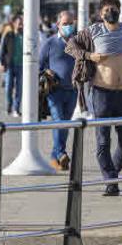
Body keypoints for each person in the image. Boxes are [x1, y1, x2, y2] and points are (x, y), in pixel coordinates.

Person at [66, 0, 122, 196]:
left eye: (113, 9)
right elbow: (70, 46)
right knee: (103, 141)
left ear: (119, 10)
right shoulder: (93, 30)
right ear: (101, 13)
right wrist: (89, 56)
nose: (110, 12)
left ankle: (112, 176)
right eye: (106, 10)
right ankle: (111, 182)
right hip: (101, 93)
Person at [39, 11, 78, 171]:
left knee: (65, 124)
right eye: (65, 23)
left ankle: (55, 156)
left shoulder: (77, 42)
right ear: (58, 25)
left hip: (72, 91)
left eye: (71, 23)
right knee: (59, 122)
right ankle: (61, 153)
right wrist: (46, 72)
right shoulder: (49, 43)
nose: (68, 27)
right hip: (55, 91)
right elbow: (39, 65)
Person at [0, 15, 23, 117]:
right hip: (10, 65)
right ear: (14, 24)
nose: (20, 25)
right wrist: (1, 63)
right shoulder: (8, 35)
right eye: (19, 23)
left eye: (22, 23)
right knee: (8, 87)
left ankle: (16, 108)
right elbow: (2, 50)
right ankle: (9, 106)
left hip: (21, 66)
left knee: (19, 88)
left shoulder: (26, 35)